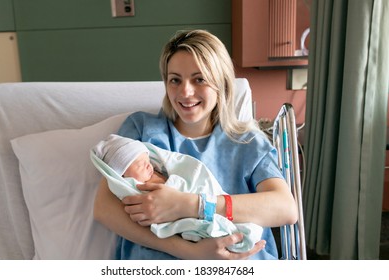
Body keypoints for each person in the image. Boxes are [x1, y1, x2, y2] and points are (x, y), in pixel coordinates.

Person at [93, 29, 298, 260]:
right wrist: (189, 251)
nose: (185, 92)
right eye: (175, 80)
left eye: (199, 79)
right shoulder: (142, 130)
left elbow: (285, 208)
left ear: (220, 83)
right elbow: (104, 208)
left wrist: (192, 205)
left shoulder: (248, 142)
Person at [91, 134, 263, 253]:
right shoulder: (137, 186)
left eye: (147, 159)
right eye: (140, 165)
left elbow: (192, 176)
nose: (149, 165)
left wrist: (188, 203)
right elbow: (103, 209)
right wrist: (192, 252)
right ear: (122, 175)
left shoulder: (252, 141)